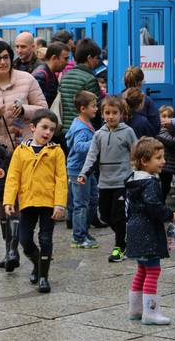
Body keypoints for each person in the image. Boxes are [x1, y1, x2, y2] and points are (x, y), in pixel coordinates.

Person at [0, 39, 47, 268]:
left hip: (25, 150)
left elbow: (43, 109)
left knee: (23, 200)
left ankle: (20, 246)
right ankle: (10, 249)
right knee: (5, 201)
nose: (3, 62)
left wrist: (24, 111)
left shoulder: (27, 79)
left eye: (6, 57)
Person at [3, 109, 67, 293]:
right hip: (28, 201)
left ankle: (44, 277)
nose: (47, 132)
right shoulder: (21, 151)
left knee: (46, 239)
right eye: (44, 127)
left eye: (52, 129)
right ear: (33, 127)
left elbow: (61, 179)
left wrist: (60, 203)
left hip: (48, 203)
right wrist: (9, 200)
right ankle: (37, 265)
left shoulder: (56, 152)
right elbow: (13, 177)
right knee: (24, 240)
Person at [78, 96, 138, 262]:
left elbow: (136, 153)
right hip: (104, 182)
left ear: (121, 114)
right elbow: (92, 156)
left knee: (118, 215)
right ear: (102, 114)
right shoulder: (98, 134)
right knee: (104, 214)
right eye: (107, 113)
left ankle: (120, 247)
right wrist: (84, 173)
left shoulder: (128, 132)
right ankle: (125, 234)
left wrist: (138, 175)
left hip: (123, 181)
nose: (110, 116)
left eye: (114, 113)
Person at [125, 136, 175, 325]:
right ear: (144, 162)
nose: (163, 161)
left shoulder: (133, 179)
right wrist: (169, 214)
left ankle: (135, 310)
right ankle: (151, 313)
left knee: (142, 270)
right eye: (159, 158)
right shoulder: (150, 183)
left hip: (135, 229)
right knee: (153, 271)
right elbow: (153, 205)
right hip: (147, 231)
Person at [65, 91, 100, 249]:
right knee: (81, 204)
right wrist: (96, 142)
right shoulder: (80, 128)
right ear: (82, 108)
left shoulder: (84, 123)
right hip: (78, 170)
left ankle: (83, 231)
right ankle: (78, 237)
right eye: (93, 106)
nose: (96, 109)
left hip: (87, 170)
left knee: (92, 200)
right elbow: (79, 147)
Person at [59, 38, 102, 133]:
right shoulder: (89, 79)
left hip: (65, 130)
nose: (98, 61)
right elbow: (96, 108)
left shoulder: (66, 76)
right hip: (83, 129)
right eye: (97, 58)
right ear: (89, 58)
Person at [156, 106, 175, 202]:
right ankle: (160, 205)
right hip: (164, 164)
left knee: (166, 186)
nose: (166, 119)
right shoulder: (159, 129)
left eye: (169, 116)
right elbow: (168, 139)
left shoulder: (173, 128)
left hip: (170, 164)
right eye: (163, 116)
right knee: (164, 186)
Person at [123, 67, 160, 135]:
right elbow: (156, 127)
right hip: (142, 141)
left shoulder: (117, 99)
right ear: (140, 82)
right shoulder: (146, 100)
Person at [32, 42, 69, 107]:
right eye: (65, 59)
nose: (67, 62)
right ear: (54, 58)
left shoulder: (51, 73)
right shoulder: (40, 76)